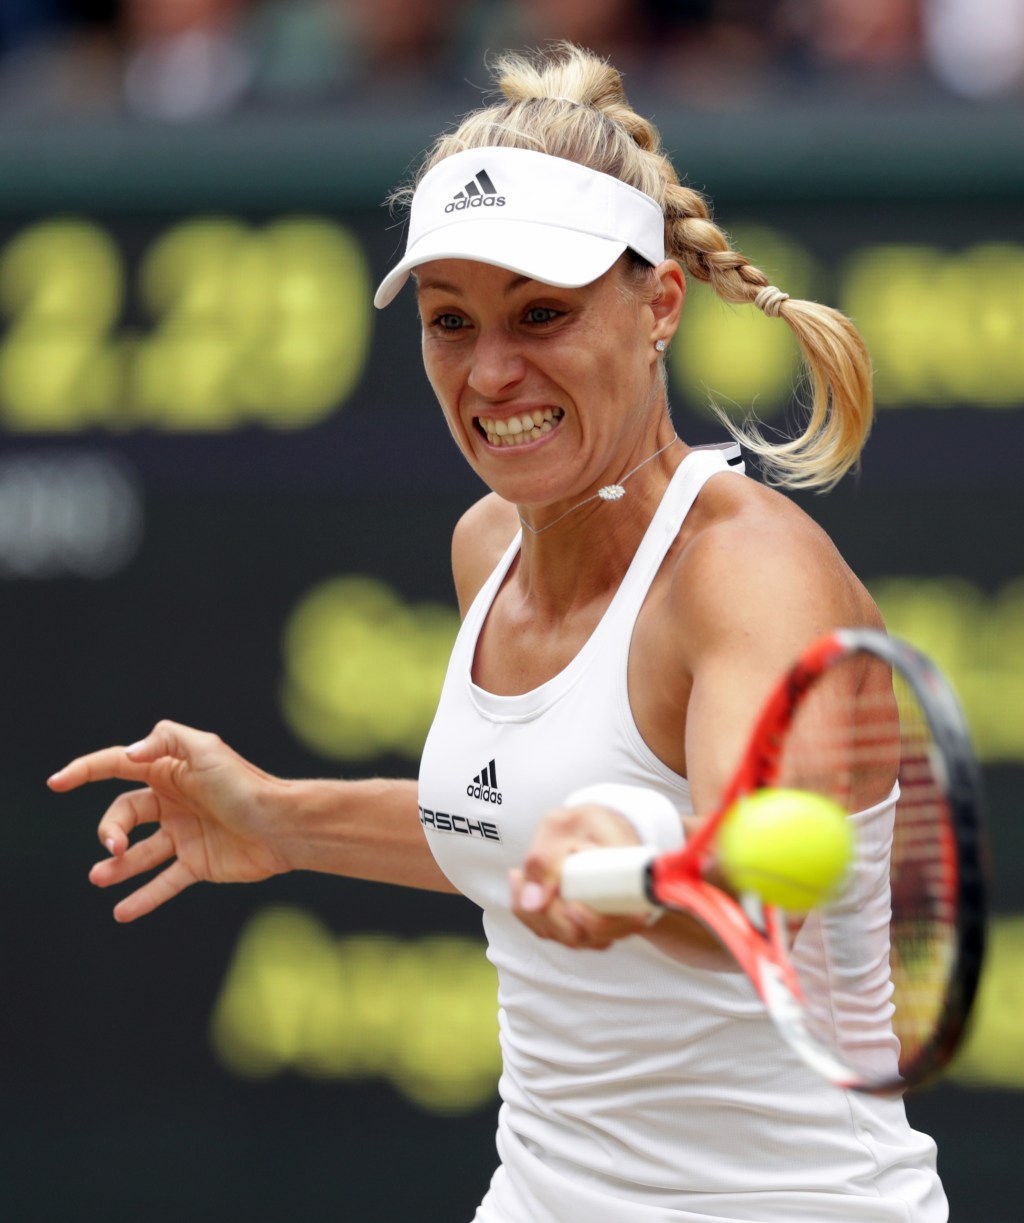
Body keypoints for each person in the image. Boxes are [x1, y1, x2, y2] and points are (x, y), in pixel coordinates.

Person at [49, 42, 948, 1223]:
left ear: (660, 302)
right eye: (449, 320)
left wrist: (635, 855)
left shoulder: (748, 574)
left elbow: (755, 903)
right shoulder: (487, 544)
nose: (490, 371)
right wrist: (280, 814)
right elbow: (512, 822)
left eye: (541, 313)